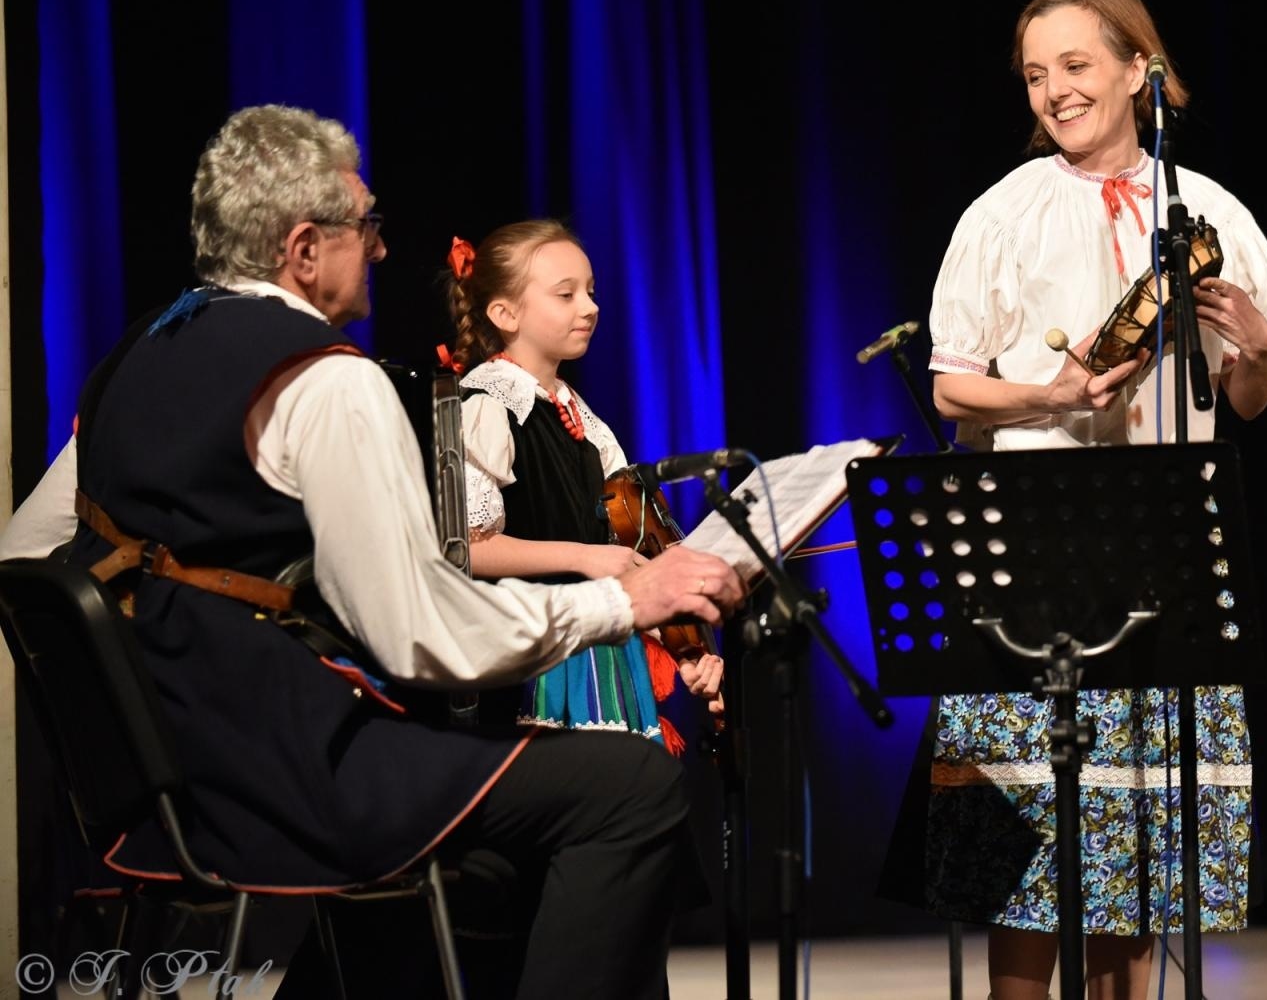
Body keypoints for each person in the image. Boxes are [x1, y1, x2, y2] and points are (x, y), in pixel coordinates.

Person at [0, 103, 745, 999]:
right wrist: (627, 601)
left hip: (156, 778)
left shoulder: (129, 357)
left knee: (501, 829)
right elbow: (423, 639)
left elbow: (27, 557)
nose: (384, 250)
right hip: (279, 775)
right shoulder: (327, 380)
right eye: (368, 228)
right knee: (631, 786)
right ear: (305, 249)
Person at [899, 0, 1267, 1000]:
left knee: (1140, 850)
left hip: (1168, 546)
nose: (1054, 91)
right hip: (1035, 546)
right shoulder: (1004, 212)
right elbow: (949, 388)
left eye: (1074, 65)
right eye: (1035, 73)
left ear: (1136, 71)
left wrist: (1256, 350)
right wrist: (1051, 394)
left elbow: (1248, 399)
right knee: (1028, 857)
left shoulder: (1210, 214)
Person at [439, 219, 724, 751]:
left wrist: (687, 651)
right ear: (505, 314)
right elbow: (467, 549)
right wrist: (586, 559)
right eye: (565, 295)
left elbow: (632, 554)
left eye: (590, 292)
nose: (589, 307)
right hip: (535, 658)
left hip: (607, 651)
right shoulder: (486, 406)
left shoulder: (585, 421)